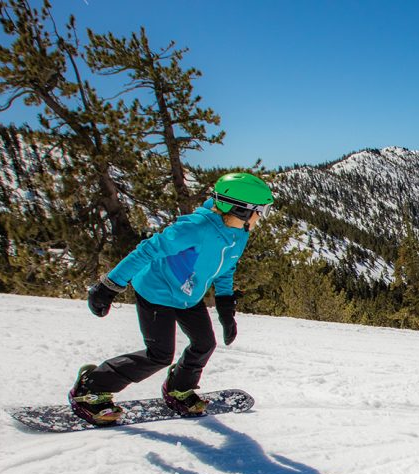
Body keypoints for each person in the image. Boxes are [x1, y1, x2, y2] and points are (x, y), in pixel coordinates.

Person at [67, 172, 274, 425]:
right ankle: (90, 388)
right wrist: (110, 285)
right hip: (158, 293)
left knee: (204, 344)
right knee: (159, 354)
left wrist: (225, 309)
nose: (261, 216)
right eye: (260, 210)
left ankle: (179, 387)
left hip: (189, 297)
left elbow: (226, 269)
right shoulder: (193, 229)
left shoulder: (238, 233)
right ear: (240, 209)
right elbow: (146, 251)